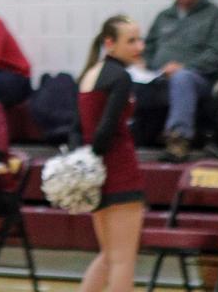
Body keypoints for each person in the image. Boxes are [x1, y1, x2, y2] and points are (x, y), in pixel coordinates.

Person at [77, 16, 145, 292]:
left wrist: (86, 166)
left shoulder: (89, 74)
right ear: (109, 43)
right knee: (122, 261)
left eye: (139, 39)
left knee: (108, 257)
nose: (139, 46)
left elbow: (77, 128)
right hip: (120, 173)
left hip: (96, 177)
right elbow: (105, 132)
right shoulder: (120, 77)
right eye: (131, 41)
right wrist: (96, 157)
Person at [137, 0, 218, 158]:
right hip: (159, 76)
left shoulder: (213, 15)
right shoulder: (164, 17)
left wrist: (185, 67)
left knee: (182, 78)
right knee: (128, 79)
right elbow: (149, 47)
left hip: (198, 78)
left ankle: (178, 139)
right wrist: (145, 64)